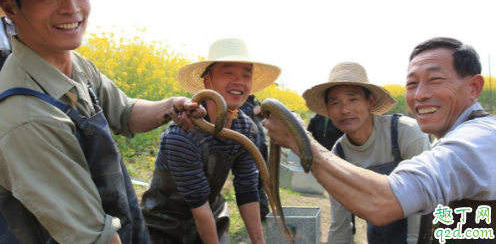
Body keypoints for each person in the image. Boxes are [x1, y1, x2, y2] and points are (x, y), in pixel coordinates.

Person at [0, 0, 205, 244]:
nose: (71, 8)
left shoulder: (76, 65)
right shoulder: (27, 117)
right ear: (10, 7)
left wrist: (173, 106)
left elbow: (125, 112)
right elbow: (94, 238)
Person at [263, 38, 495, 244]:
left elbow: (387, 202)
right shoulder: (340, 151)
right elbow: (341, 222)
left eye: (435, 79)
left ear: (473, 87)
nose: (420, 94)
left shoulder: (477, 140)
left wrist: (302, 143)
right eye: (412, 84)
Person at [141, 38, 281, 244]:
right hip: (164, 224)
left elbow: (247, 189)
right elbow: (197, 202)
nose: (238, 80)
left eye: (246, 75)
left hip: (212, 215)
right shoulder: (182, 134)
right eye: (228, 72)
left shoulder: (246, 129)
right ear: (208, 83)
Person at [304, 62, 431, 244]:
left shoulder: (406, 133)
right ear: (328, 110)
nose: (345, 110)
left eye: (353, 99)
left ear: (370, 102)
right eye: (336, 103)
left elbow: (423, 201)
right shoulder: (339, 155)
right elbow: (340, 222)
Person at [240, 94, 270, 220]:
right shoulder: (239, 98)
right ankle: (261, 215)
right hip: (248, 146)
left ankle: (264, 214)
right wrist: (252, 110)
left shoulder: (254, 99)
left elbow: (262, 119)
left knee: (263, 179)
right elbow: (234, 115)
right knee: (253, 180)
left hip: (261, 144)